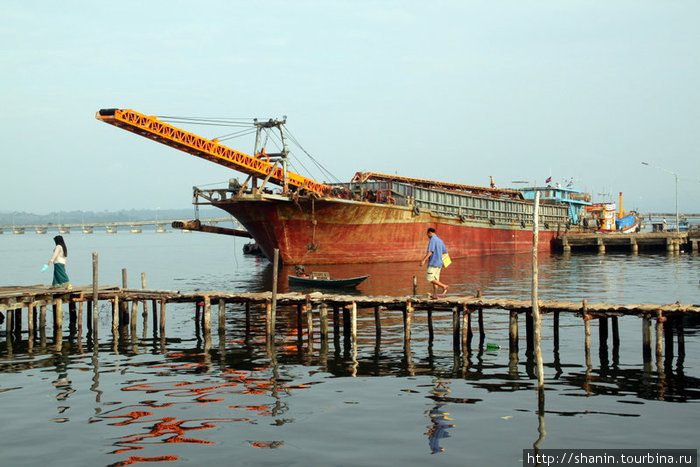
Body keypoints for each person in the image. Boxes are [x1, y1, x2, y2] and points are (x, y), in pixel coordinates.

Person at [420, 227, 449, 299]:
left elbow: (430, 251)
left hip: (433, 262)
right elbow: (445, 251)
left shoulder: (432, 240)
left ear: (430, 233)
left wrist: (423, 260)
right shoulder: (440, 240)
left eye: (427, 234)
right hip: (439, 263)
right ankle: (435, 295)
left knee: (430, 278)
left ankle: (444, 286)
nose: (427, 236)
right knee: (435, 280)